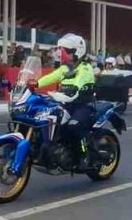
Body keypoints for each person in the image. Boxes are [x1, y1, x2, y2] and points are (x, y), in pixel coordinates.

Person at [37, 33, 99, 166]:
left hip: (83, 105)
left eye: (67, 51)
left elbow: (80, 81)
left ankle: (85, 154)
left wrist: (74, 89)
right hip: (66, 104)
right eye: (63, 50)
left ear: (77, 51)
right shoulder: (64, 68)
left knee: (73, 127)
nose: (63, 54)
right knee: (46, 118)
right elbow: (50, 77)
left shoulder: (85, 68)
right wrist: (35, 83)